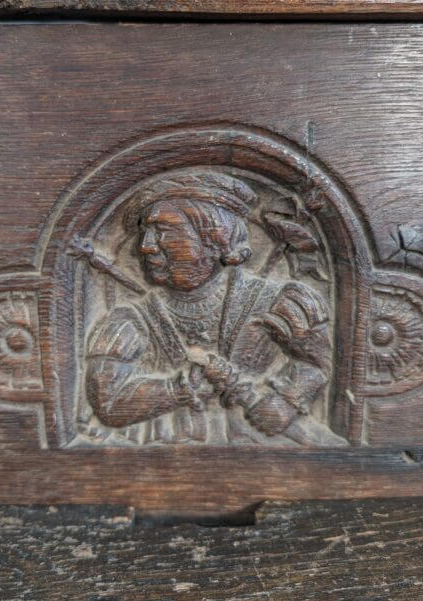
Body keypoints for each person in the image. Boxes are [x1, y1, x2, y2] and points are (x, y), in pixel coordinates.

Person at [79, 171, 346, 446]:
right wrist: (178, 389)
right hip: (160, 453)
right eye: (145, 232)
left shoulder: (277, 303)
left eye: (163, 230)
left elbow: (316, 362)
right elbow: (109, 404)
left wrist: (287, 401)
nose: (145, 246)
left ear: (215, 239)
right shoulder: (130, 321)